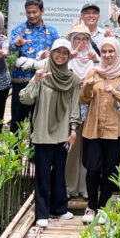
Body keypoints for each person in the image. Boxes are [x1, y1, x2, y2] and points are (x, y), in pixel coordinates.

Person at [20, 39, 81, 228]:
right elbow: (25, 99)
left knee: (59, 172)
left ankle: (60, 209)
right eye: (57, 52)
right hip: (42, 132)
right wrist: (35, 80)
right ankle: (42, 212)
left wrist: (73, 130)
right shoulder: (42, 75)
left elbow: (74, 108)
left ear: (69, 56)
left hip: (63, 133)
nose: (61, 56)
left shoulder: (73, 80)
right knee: (43, 174)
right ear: (52, 53)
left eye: (65, 53)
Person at [79, 38, 120, 223]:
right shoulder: (93, 72)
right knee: (93, 168)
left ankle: (103, 207)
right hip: (92, 128)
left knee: (110, 170)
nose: (107, 55)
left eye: (111, 51)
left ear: (117, 53)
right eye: (104, 52)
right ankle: (91, 206)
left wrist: (115, 92)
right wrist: (88, 86)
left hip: (114, 129)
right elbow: (83, 100)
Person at [10, 0, 59, 133]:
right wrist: (17, 44)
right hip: (21, 83)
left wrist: (50, 55)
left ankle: (36, 154)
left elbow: (58, 53)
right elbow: (10, 50)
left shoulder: (52, 31)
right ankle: (15, 154)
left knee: (39, 123)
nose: (31, 15)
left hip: (44, 83)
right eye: (28, 12)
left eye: (34, 12)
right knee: (17, 122)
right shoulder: (18, 30)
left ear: (42, 11)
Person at [65, 24, 98, 198]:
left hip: (91, 108)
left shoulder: (96, 58)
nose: (81, 43)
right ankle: (69, 187)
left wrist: (97, 61)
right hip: (70, 108)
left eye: (84, 39)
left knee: (88, 147)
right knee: (71, 147)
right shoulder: (66, 58)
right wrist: (68, 58)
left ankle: (86, 187)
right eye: (77, 38)